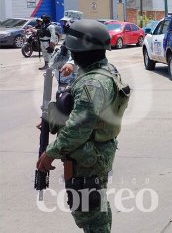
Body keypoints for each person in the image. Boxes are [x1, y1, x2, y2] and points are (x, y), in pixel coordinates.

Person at [36, 19, 130, 232]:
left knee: (90, 216)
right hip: (96, 153)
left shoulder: (92, 83)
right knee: (98, 208)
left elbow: (79, 127)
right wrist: (53, 118)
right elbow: (82, 111)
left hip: (88, 159)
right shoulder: (104, 70)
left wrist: (50, 153)